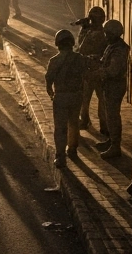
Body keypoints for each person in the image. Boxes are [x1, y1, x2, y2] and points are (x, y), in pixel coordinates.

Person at [45, 29, 85, 168]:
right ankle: (73, 149)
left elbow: (48, 80)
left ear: (58, 44)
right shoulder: (80, 58)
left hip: (61, 97)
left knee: (60, 128)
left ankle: (60, 157)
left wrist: (51, 93)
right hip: (76, 96)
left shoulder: (54, 61)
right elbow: (86, 73)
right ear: (72, 43)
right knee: (73, 123)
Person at [95, 20, 131, 161]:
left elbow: (113, 70)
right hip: (109, 85)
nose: (106, 36)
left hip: (114, 85)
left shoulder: (119, 49)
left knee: (113, 116)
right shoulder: (112, 46)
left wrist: (98, 73)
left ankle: (115, 147)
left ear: (115, 34)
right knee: (108, 115)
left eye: (108, 33)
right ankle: (111, 141)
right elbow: (106, 61)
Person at [74, 6, 110, 132]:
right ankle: (103, 126)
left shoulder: (94, 34)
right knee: (100, 99)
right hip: (97, 71)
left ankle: (86, 121)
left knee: (86, 98)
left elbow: (81, 48)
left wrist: (84, 29)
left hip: (92, 70)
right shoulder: (104, 33)